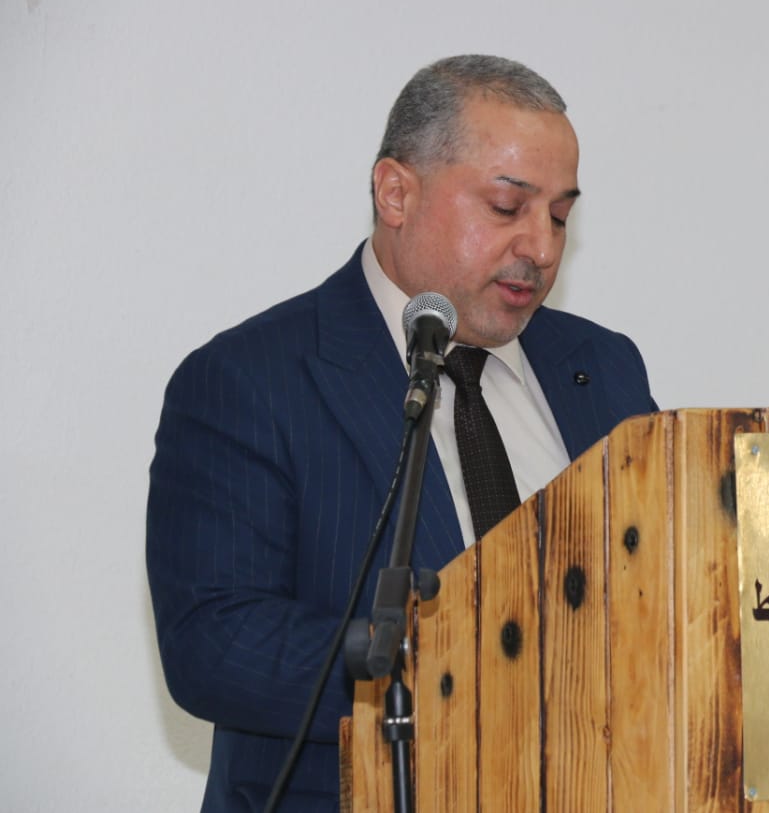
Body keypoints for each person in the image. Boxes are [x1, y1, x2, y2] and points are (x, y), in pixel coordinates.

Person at [146, 55, 658, 812]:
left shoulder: (603, 368)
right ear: (396, 193)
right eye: (507, 207)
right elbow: (213, 643)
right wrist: (455, 668)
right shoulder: (252, 379)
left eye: (558, 215)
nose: (543, 248)